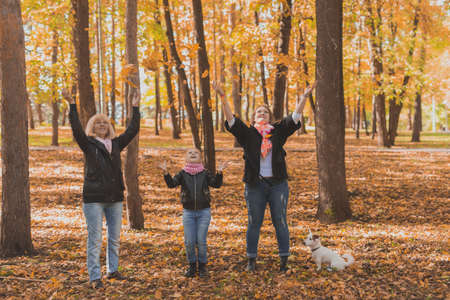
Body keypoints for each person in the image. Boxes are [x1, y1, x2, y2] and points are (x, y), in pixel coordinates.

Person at [214, 81, 316, 272]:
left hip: (278, 185)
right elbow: (231, 121)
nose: (262, 114)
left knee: (280, 221)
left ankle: (284, 260)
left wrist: (304, 97)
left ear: (270, 117)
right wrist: (222, 97)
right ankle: (251, 260)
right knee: (254, 222)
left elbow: (294, 118)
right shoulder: (248, 133)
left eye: (265, 112)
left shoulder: (278, 131)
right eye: (259, 112)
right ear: (253, 117)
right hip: (255, 185)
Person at [63, 88, 140, 288]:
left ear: (109, 126)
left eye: (104, 122)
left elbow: (132, 130)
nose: (101, 125)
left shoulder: (116, 144)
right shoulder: (87, 143)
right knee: (95, 239)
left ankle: (112, 271)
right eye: (97, 122)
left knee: (114, 239)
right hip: (94, 198)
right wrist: (72, 104)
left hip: (114, 197)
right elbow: (76, 129)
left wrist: (135, 107)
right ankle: (94, 276)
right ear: (92, 126)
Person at [158, 149, 229, 278]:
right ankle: (191, 266)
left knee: (201, 240)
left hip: (204, 212)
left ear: (201, 158)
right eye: (190, 153)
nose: (193, 154)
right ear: (186, 158)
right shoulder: (182, 173)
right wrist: (166, 173)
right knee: (189, 241)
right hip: (188, 212)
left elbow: (216, 184)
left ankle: (202, 266)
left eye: (195, 153)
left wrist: (219, 173)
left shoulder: (205, 173)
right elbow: (171, 184)